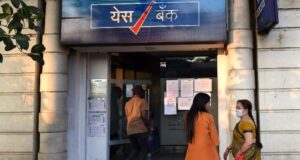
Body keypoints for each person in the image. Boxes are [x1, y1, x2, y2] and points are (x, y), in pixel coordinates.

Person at [185, 93, 220, 160]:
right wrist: (217, 154)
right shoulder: (208, 116)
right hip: (207, 150)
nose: (210, 105)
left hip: (192, 149)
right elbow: (214, 138)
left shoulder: (188, 116)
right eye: (209, 103)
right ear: (203, 104)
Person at [125, 85, 149, 160]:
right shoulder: (142, 101)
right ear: (139, 92)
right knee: (144, 150)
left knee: (135, 149)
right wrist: (148, 125)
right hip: (140, 129)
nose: (143, 93)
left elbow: (127, 116)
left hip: (130, 130)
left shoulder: (127, 103)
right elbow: (144, 116)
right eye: (142, 91)